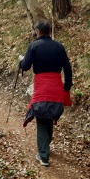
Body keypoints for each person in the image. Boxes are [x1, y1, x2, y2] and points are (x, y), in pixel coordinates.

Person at [19, 19, 73, 167]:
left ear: (38, 31)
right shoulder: (59, 47)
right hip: (56, 86)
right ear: (49, 31)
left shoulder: (34, 46)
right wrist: (67, 87)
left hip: (42, 86)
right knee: (49, 115)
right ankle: (45, 147)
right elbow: (68, 69)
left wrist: (21, 61)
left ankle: (43, 155)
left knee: (42, 117)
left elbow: (26, 66)